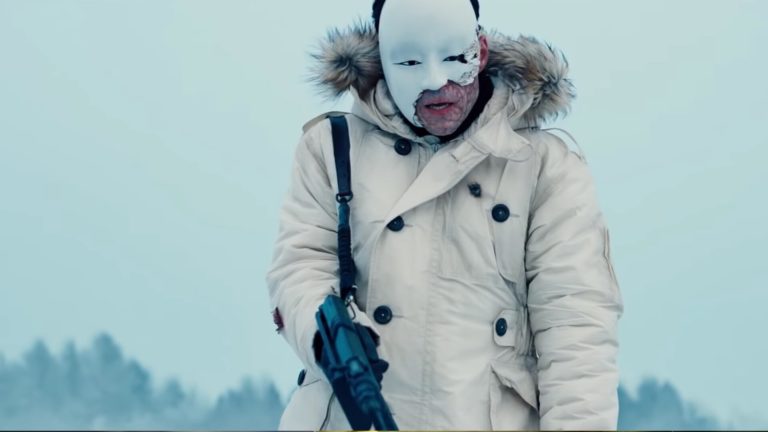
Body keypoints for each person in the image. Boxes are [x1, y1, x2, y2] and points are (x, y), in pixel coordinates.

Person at [266, 0, 624, 429]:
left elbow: (576, 326)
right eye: (410, 62)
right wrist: (329, 338)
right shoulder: (331, 147)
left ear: (481, 51)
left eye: (454, 57)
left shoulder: (544, 166)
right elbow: (300, 266)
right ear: (382, 61)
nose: (435, 81)